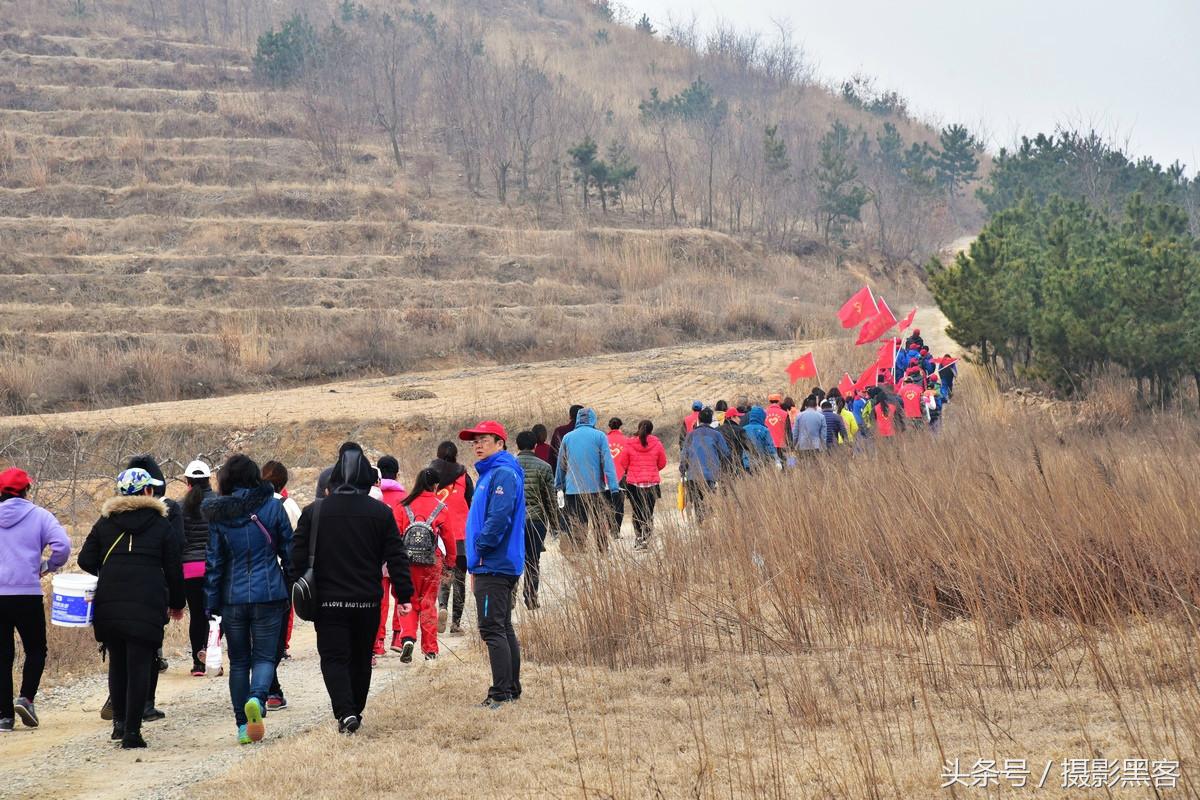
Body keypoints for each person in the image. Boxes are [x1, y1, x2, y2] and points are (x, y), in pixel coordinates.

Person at [291, 442, 413, 735]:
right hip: (367, 601)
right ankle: (354, 709)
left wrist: (296, 587)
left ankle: (345, 712)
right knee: (361, 659)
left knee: (334, 658)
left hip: (328, 603)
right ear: (364, 478)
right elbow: (396, 555)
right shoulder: (380, 513)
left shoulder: (314, 512)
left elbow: (295, 556)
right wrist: (404, 595)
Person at [78, 468, 185, 749]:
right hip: (147, 602)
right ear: (149, 491)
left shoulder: (105, 523)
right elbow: (174, 568)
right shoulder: (162, 525)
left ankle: (119, 724)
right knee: (140, 666)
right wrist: (177, 603)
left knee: (118, 663)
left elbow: (85, 559)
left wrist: (110, 569)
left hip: (110, 601)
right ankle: (133, 733)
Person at [202, 455, 293, 746]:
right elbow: (290, 552)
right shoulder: (273, 506)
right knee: (265, 656)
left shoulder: (219, 515)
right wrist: (291, 586)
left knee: (239, 661)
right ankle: (257, 698)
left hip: (233, 597)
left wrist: (211, 603)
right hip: (270, 594)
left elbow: (214, 562)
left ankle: (243, 725)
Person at [458, 421, 526, 709]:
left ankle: (500, 693)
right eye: (475, 441)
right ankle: (510, 688)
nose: (478, 445)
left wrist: (481, 547)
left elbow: (499, 517)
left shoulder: (503, 473)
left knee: (491, 628)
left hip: (494, 563)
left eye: (484, 439)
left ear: (500, 443)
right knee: (502, 626)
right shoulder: (490, 472)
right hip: (490, 562)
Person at [0, 468, 70, 733]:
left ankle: (4, 717)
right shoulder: (40, 516)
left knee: (2, 656)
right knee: (36, 650)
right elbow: (62, 546)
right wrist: (47, 565)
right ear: (27, 489)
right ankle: (26, 699)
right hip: (27, 593)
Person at [123, 454, 181, 722]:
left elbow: (89, 557)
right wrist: (177, 599)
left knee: (121, 652)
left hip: (117, 590)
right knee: (149, 649)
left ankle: (121, 710)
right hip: (153, 590)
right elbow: (175, 550)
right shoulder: (165, 514)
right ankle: (145, 703)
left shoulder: (111, 515)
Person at [394, 468, 456, 663]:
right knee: (428, 603)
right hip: (432, 562)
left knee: (407, 600)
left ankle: (408, 638)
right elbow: (449, 539)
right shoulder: (441, 508)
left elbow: (394, 536)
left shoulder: (402, 506)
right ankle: (430, 650)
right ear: (436, 486)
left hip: (406, 562)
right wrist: (450, 562)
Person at [260, 460, 301, 709]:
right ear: (284, 483)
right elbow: (297, 543)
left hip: (249, 576)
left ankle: (262, 688)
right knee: (275, 637)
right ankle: (270, 689)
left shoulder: (247, 505)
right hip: (279, 575)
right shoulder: (288, 506)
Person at [555, 408, 621, 553]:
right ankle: (602, 549)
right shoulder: (600, 436)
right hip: (595, 489)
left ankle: (579, 549)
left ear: (578, 419)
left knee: (579, 521)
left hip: (573, 489)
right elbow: (608, 464)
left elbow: (561, 464)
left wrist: (558, 485)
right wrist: (614, 487)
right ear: (593, 419)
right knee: (599, 521)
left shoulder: (567, 437)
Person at [432, 441, 473, 635]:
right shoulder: (464, 476)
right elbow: (471, 503)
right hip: (462, 535)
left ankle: (442, 607)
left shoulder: (430, 475)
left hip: (438, 535)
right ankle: (456, 624)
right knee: (460, 579)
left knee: (443, 576)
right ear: (456, 455)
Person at [180, 460, 214, 677]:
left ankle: (197, 664)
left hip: (189, 569)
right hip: (213, 568)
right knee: (213, 615)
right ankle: (211, 659)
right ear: (209, 479)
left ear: (187, 481)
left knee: (196, 616)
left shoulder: (180, 506)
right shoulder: (219, 502)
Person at [515, 431, 555, 607]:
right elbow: (550, 499)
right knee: (533, 560)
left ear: (517, 446)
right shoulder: (544, 467)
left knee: (513, 558)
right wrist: (555, 523)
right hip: (536, 520)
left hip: (514, 521)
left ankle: (510, 598)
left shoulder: (510, 466)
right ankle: (531, 598)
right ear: (535, 446)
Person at [373, 456, 406, 660]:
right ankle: (397, 637)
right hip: (400, 554)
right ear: (397, 473)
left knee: (380, 600)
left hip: (376, 555)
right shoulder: (405, 497)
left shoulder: (370, 496)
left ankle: (377, 643)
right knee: (401, 595)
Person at [620, 421, 666, 549]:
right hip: (652, 483)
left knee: (637, 511)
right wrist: (652, 468)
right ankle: (647, 538)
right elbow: (662, 463)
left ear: (638, 428)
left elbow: (623, 463)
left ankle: (639, 538)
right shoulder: (657, 443)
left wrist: (631, 470)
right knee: (649, 512)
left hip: (634, 484)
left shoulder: (629, 443)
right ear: (651, 430)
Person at [679, 408, 729, 523]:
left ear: (699, 419)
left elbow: (684, 454)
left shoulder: (691, 435)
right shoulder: (717, 435)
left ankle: (701, 524)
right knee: (709, 500)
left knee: (697, 502)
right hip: (711, 475)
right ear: (711, 420)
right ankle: (708, 522)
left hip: (693, 474)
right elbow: (726, 453)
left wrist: (682, 468)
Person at [605, 418, 627, 539]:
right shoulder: (626, 440)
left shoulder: (603, 439)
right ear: (620, 427)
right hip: (621, 478)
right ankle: (615, 531)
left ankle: (609, 527)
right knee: (619, 506)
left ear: (609, 427)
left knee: (607, 505)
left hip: (605, 478)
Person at [741, 407, 780, 471]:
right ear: (762, 417)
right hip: (761, 464)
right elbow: (770, 448)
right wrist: (776, 461)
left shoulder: (743, 429)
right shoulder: (764, 430)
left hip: (746, 464)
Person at [548, 404, 584, 473]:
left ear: (570, 416)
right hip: (587, 475)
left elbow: (552, 457)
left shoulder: (559, 431)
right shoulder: (591, 433)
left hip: (563, 473)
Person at [715, 403, 749, 474]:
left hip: (720, 467)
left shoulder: (716, 430)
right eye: (738, 417)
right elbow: (749, 446)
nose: (739, 419)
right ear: (733, 417)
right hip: (737, 466)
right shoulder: (740, 430)